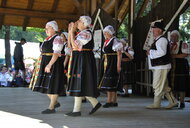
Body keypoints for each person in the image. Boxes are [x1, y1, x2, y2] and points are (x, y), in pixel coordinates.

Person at [65, 16, 101, 117]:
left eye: (79, 21)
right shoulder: (80, 34)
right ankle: (92, 105)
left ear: (85, 24)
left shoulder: (86, 33)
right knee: (79, 82)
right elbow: (70, 46)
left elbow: (75, 46)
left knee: (82, 82)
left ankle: (78, 110)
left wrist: (72, 32)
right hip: (79, 59)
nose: (77, 22)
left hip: (84, 60)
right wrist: (70, 32)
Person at [29, 20, 67, 114]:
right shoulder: (47, 39)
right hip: (45, 62)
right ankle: (55, 102)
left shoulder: (57, 38)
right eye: (45, 28)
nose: (46, 30)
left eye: (48, 28)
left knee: (52, 85)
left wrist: (49, 64)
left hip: (53, 63)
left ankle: (51, 107)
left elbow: (56, 53)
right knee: (45, 84)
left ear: (53, 28)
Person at [146, 21, 178, 109]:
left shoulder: (162, 40)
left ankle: (156, 104)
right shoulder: (159, 40)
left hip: (161, 66)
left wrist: (150, 52)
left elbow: (162, 52)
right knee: (163, 85)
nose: (152, 31)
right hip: (160, 66)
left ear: (160, 30)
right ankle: (173, 101)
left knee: (157, 84)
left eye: (154, 29)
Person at [98, 25, 123, 108]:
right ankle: (114, 101)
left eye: (106, 32)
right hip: (107, 62)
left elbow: (119, 54)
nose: (105, 34)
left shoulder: (115, 41)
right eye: (104, 32)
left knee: (110, 81)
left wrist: (118, 65)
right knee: (111, 81)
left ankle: (109, 101)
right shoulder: (107, 41)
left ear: (110, 33)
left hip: (112, 62)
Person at [169, 30, 189, 108]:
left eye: (175, 36)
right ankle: (174, 101)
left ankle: (182, 101)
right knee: (173, 84)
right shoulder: (169, 45)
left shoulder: (183, 44)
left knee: (181, 84)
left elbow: (185, 54)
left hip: (181, 66)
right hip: (172, 66)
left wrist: (173, 56)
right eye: (172, 36)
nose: (173, 37)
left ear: (178, 37)